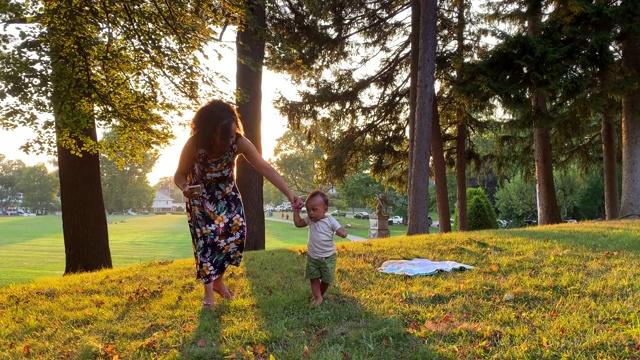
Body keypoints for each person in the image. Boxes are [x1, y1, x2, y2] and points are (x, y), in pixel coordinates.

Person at [174, 99, 303, 310]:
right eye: (224, 137)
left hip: (227, 195)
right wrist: (184, 187)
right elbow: (179, 175)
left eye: (232, 135)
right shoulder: (195, 144)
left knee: (236, 237)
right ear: (211, 131)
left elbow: (265, 168)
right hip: (201, 199)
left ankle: (218, 281)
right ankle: (209, 296)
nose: (229, 141)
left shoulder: (238, 142)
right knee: (207, 243)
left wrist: (290, 195)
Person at [293, 190, 348, 306]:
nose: (310, 213)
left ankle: (319, 295)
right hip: (312, 257)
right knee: (313, 278)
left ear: (325, 209)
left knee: (327, 279)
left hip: (328, 257)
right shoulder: (310, 220)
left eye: (314, 209)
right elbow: (298, 223)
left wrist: (342, 233)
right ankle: (318, 297)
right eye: (308, 210)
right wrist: (296, 211)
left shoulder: (330, 220)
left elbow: (340, 229)